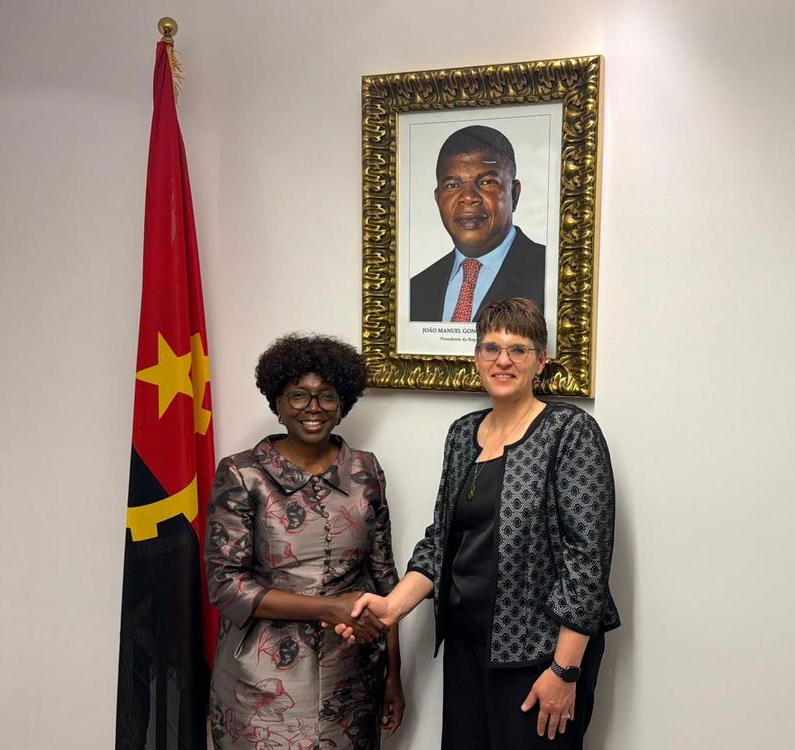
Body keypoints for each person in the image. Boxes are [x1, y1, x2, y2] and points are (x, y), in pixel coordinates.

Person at [340, 299, 619, 749]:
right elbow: (440, 541)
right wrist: (391, 608)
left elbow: (587, 561)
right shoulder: (462, 434)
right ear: (476, 358)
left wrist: (565, 670)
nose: (503, 360)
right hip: (466, 647)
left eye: (518, 349)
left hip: (538, 654)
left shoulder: (569, 431)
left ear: (540, 361)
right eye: (491, 348)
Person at [204, 334, 404, 749]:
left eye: (327, 396)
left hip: (351, 683)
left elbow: (385, 580)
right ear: (277, 403)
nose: (313, 408)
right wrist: (329, 607)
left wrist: (393, 675)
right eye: (298, 395)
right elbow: (226, 585)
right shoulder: (243, 474)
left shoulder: (365, 470)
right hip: (260, 687)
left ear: (342, 404)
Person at [410, 126, 546, 322]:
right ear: (438, 198)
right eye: (452, 185)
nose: (468, 197)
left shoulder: (553, 274)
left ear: (514, 194)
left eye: (487, 182)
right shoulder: (416, 288)